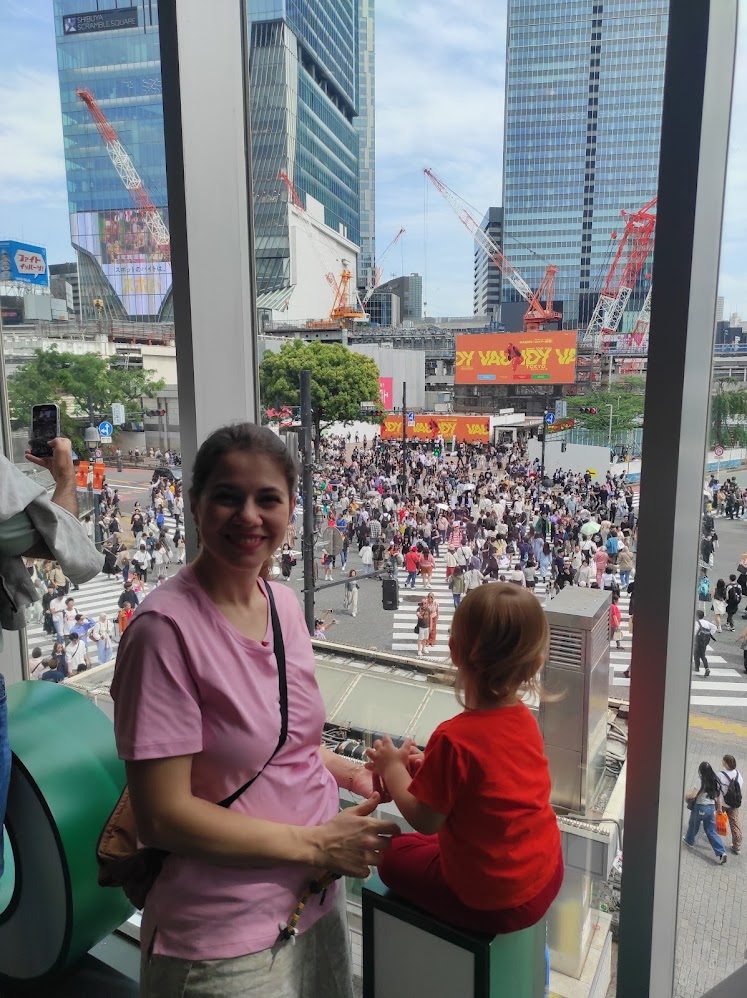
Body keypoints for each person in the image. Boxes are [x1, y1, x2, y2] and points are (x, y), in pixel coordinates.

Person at [110, 423, 399, 997]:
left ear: (290, 508)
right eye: (227, 496)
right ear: (195, 504)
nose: (249, 516)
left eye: (267, 498)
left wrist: (354, 773)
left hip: (315, 904)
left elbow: (282, 741)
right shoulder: (163, 632)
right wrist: (318, 843)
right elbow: (163, 815)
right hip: (223, 935)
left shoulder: (284, 605)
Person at [366, 583, 563, 933]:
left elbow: (426, 820)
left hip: (494, 899)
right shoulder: (524, 720)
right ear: (535, 663)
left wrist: (392, 767)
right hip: (546, 873)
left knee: (391, 855)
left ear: (454, 651)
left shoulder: (454, 738)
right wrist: (428, 769)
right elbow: (489, 786)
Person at [683, 761, 727, 863]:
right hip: (711, 809)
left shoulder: (700, 780)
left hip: (700, 808)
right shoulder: (715, 780)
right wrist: (719, 809)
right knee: (711, 831)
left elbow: (693, 795)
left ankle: (689, 840)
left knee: (693, 824)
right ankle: (722, 852)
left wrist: (686, 796)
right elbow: (718, 797)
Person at [717, 754, 743, 855]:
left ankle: (712, 833)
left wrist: (719, 807)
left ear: (726, 764)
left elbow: (718, 793)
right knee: (735, 824)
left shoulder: (720, 775)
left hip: (723, 803)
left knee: (714, 817)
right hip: (734, 804)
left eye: (723, 761)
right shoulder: (738, 774)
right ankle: (736, 846)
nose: (722, 762)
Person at [693, 609, 717, 677]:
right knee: (702, 654)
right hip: (705, 641)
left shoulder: (697, 623)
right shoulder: (706, 622)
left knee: (696, 654)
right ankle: (706, 668)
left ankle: (698, 667)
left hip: (698, 641)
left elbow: (695, 632)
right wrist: (710, 634)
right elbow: (714, 627)